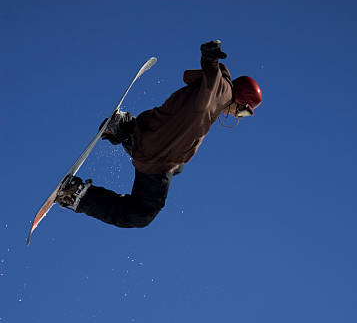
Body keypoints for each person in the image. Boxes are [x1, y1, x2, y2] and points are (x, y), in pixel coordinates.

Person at [57, 40, 262, 228]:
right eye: (243, 111)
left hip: (150, 132)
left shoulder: (213, 94)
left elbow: (211, 81)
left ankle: (125, 127)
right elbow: (213, 78)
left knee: (178, 167)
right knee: (141, 214)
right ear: (241, 101)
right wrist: (210, 59)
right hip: (159, 159)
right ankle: (76, 195)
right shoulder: (222, 92)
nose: (237, 116)